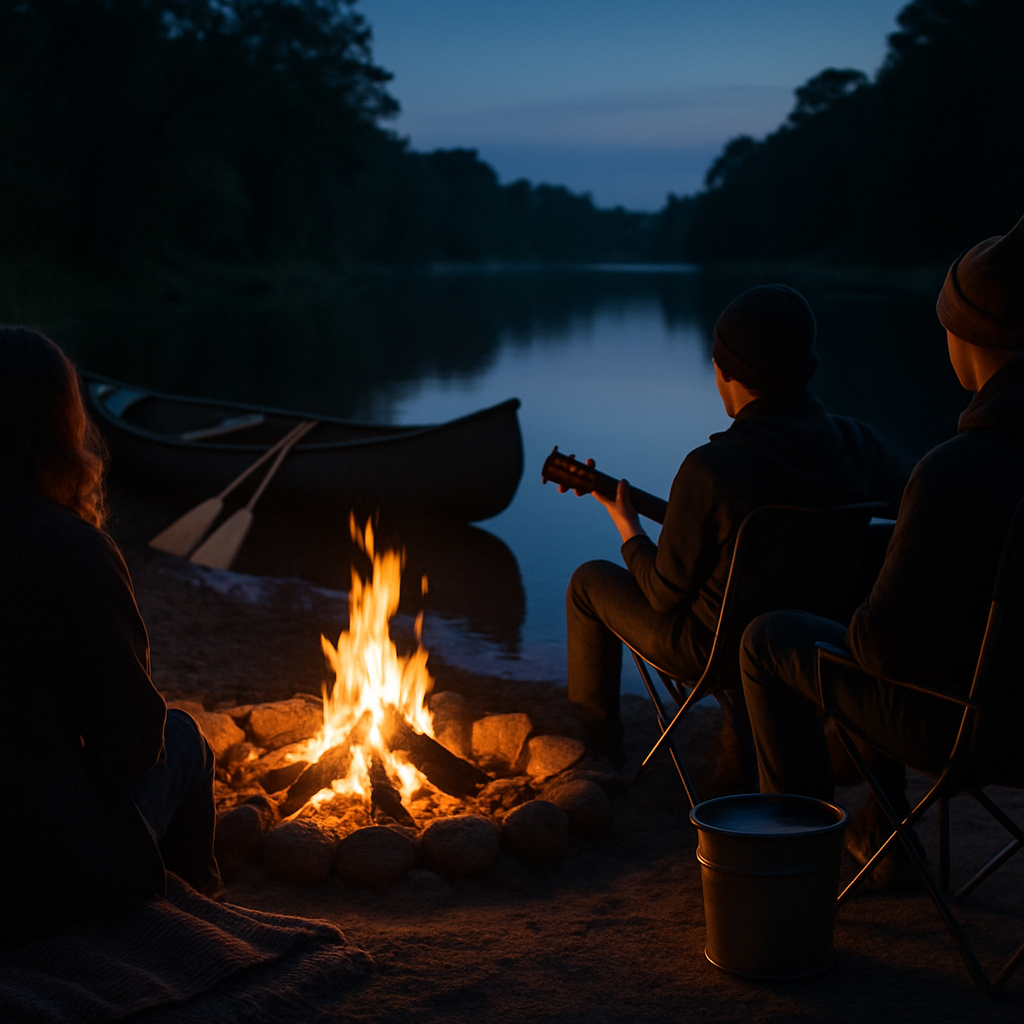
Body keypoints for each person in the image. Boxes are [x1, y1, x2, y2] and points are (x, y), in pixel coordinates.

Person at [739, 214, 1024, 880]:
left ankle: (796, 873)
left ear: (969, 333)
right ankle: (880, 828)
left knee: (770, 639)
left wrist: (862, 614)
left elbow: (881, 651)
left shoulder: (956, 469)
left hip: (967, 731)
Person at [566, 284, 909, 771]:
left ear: (723, 370)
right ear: (805, 366)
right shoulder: (859, 442)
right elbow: (918, 510)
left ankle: (601, 755)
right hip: (822, 637)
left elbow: (664, 595)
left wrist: (630, 530)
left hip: (717, 650)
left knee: (587, 583)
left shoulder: (712, 468)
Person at [0, 326, 219, 947]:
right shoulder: (73, 549)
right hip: (38, 878)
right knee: (183, 738)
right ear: (59, 426)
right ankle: (197, 925)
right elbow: (130, 744)